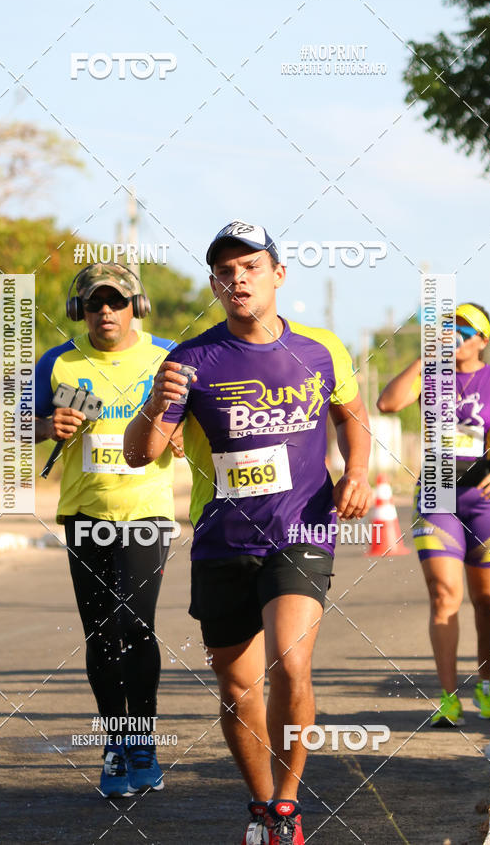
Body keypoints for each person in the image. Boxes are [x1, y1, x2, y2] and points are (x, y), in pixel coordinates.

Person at [123, 221, 372, 845]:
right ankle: (261, 804)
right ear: (214, 283)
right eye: (226, 271)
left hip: (301, 528)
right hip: (223, 540)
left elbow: (352, 416)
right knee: (238, 688)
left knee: (292, 661)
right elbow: (139, 453)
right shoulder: (189, 360)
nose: (238, 279)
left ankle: (288, 805)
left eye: (251, 266)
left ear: (278, 274)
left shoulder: (321, 349)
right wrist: (154, 402)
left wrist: (357, 473)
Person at [35, 262, 179, 797]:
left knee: (135, 625)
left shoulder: (167, 357)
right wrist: (48, 425)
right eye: (94, 303)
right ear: (79, 310)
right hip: (84, 514)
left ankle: (143, 744)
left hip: (146, 513)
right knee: (100, 633)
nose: (105, 312)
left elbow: (200, 418)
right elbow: (20, 424)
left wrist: (179, 433)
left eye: (116, 301)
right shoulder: (59, 362)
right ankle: (115, 745)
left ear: (136, 306)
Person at [377, 303, 490, 727]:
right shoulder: (432, 376)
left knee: (487, 601)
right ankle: (447, 697)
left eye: (463, 330)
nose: (453, 336)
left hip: (486, 495)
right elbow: (387, 403)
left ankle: (486, 682)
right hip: (437, 492)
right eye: (447, 329)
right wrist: (426, 358)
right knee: (444, 595)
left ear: (482, 340)